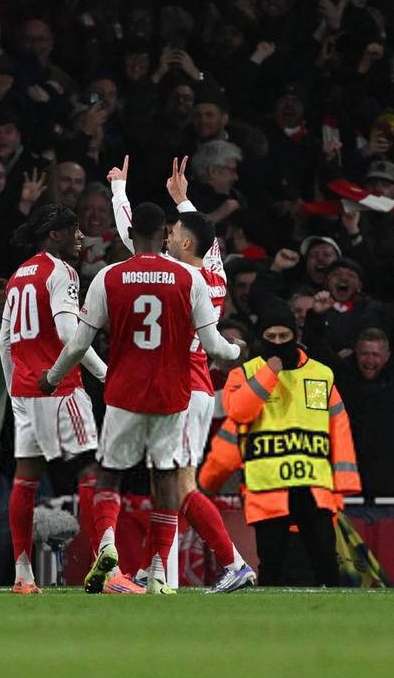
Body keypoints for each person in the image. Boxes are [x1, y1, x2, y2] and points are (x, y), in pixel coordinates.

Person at [39, 201, 242, 594]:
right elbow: (215, 346)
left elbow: (78, 344)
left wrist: (52, 377)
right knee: (166, 482)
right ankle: (159, 573)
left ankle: (107, 545)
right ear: (165, 234)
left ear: (131, 236)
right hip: (171, 396)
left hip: (124, 394)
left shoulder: (109, 277)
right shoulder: (189, 278)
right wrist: (237, 350)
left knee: (110, 476)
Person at [108, 156, 256, 593]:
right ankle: (155, 569)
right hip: (194, 385)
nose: (167, 236)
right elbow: (209, 242)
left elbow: (132, 237)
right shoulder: (214, 274)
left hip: (184, 388)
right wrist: (184, 200)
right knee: (166, 481)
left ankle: (233, 563)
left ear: (184, 243)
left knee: (181, 484)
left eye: (173, 233)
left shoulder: (179, 277)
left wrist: (119, 191)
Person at [200, 307, 362, 587]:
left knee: (325, 559)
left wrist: (344, 484)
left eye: (283, 336)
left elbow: (339, 429)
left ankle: (334, 613)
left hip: (314, 486)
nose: (277, 342)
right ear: (261, 338)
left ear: (294, 335)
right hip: (268, 487)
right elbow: (238, 414)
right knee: (272, 563)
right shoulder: (245, 374)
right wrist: (269, 373)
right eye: (271, 336)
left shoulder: (321, 374)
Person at [0, 202, 108, 595]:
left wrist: (14, 391)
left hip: (26, 392)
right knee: (91, 471)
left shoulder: (18, 276)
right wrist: (105, 374)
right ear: (53, 234)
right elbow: (68, 334)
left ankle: (22, 574)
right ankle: (105, 568)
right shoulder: (62, 272)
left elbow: (4, 341)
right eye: (73, 229)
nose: (80, 236)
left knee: (25, 478)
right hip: (59, 389)